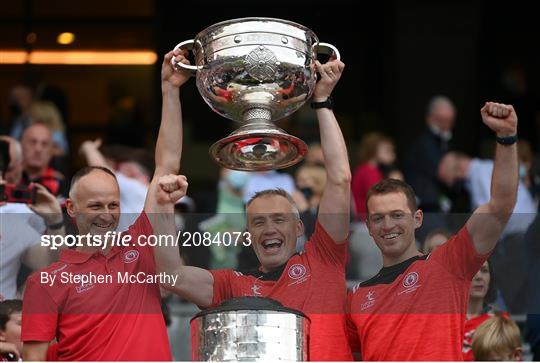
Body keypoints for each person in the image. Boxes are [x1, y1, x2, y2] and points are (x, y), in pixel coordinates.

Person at [157, 56, 353, 361]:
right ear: (247, 234)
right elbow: (170, 274)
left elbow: (339, 179)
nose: (270, 229)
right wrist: (170, 92)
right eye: (259, 222)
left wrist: (323, 101)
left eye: (279, 219)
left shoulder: (324, 260)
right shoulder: (232, 284)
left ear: (299, 227)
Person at [20, 48, 190, 361]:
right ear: (71, 209)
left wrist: (170, 89)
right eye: (96, 206)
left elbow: (166, 164)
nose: (108, 215)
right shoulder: (47, 281)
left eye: (113, 205)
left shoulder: (139, 247)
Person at [348, 102, 519, 360]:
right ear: (369, 227)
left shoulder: (447, 266)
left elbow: (500, 206)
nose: (388, 225)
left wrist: (506, 138)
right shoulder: (358, 296)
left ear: (417, 219)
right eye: (378, 218)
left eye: (397, 215)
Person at [352, 132, 398, 220]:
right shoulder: (369, 171)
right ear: (373, 150)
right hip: (365, 218)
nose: (392, 154)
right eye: (386, 150)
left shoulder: (369, 169)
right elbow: (377, 197)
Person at [19, 123, 67, 197]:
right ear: (21, 146)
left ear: (51, 151)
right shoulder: (8, 180)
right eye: (33, 142)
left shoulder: (62, 186)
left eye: (44, 144)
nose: (38, 149)